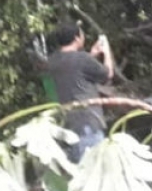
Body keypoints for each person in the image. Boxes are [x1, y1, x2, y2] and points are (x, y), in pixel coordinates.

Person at [45, 21, 114, 162]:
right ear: (77, 38)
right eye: (82, 34)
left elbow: (74, 70)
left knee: (79, 174)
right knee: (95, 172)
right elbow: (108, 75)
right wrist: (107, 53)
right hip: (88, 125)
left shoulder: (53, 61)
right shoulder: (83, 59)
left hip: (69, 126)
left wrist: (92, 54)